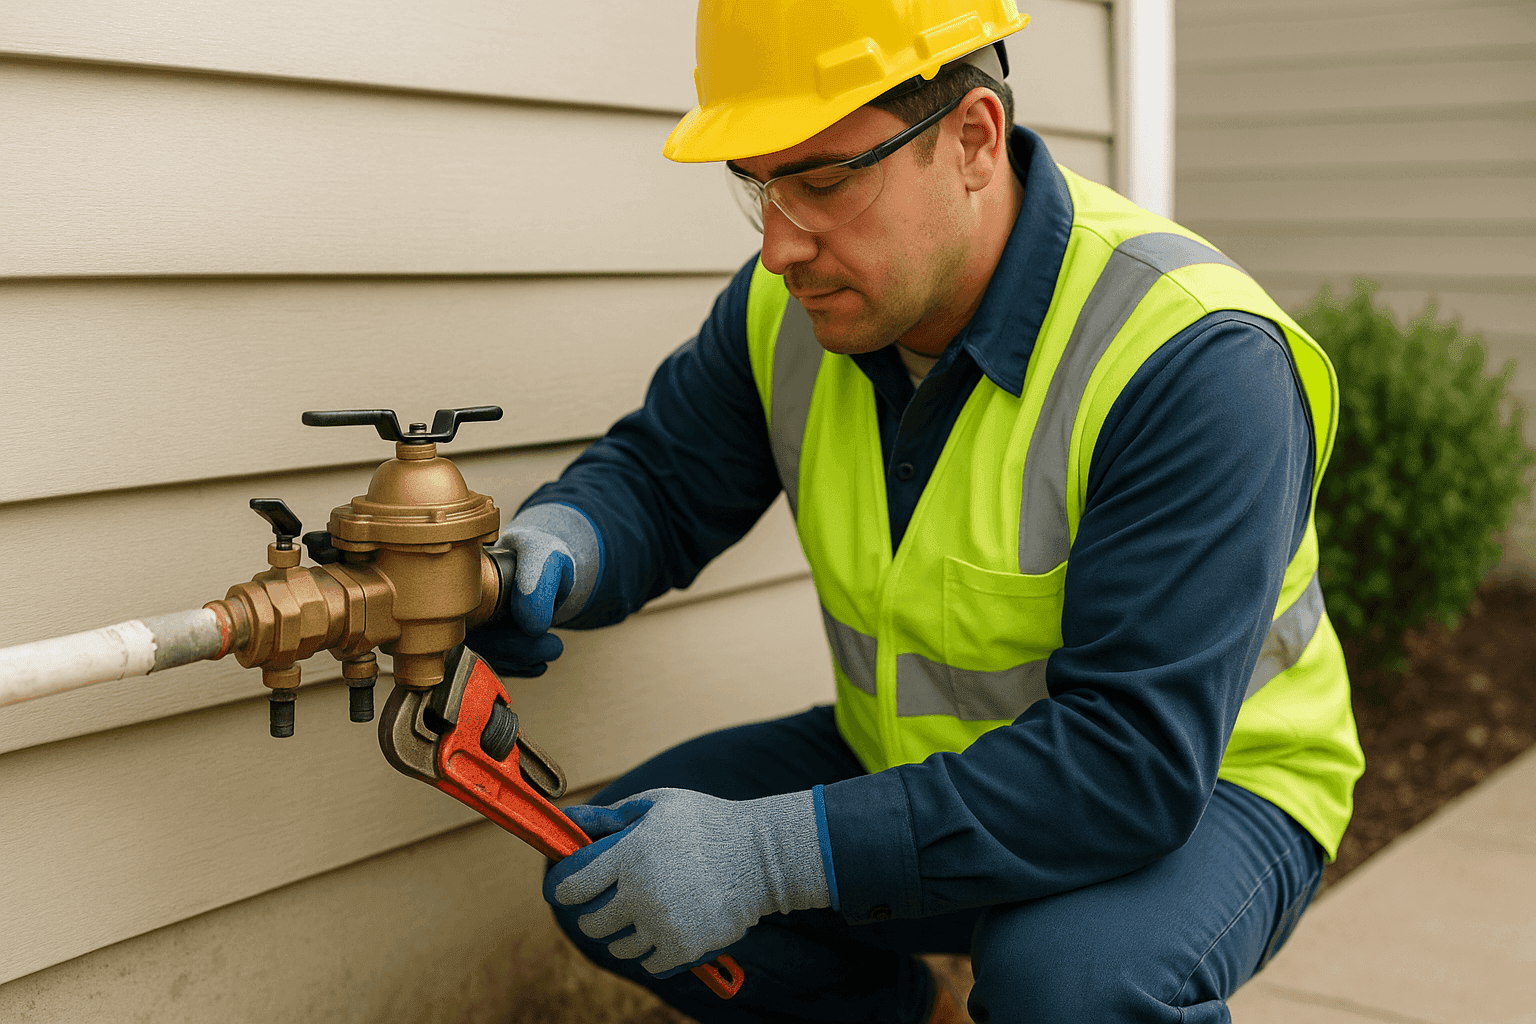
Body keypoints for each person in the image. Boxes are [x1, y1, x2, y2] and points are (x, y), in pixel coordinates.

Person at [468, 3, 1364, 1021]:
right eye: (759, 186)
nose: (778, 248)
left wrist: (771, 855)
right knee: (617, 871)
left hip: (1211, 787)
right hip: (920, 754)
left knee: (1067, 985)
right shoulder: (796, 307)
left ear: (974, 139)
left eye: (821, 181)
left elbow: (1129, 764)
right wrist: (554, 548)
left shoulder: (1191, 358)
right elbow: (665, 480)